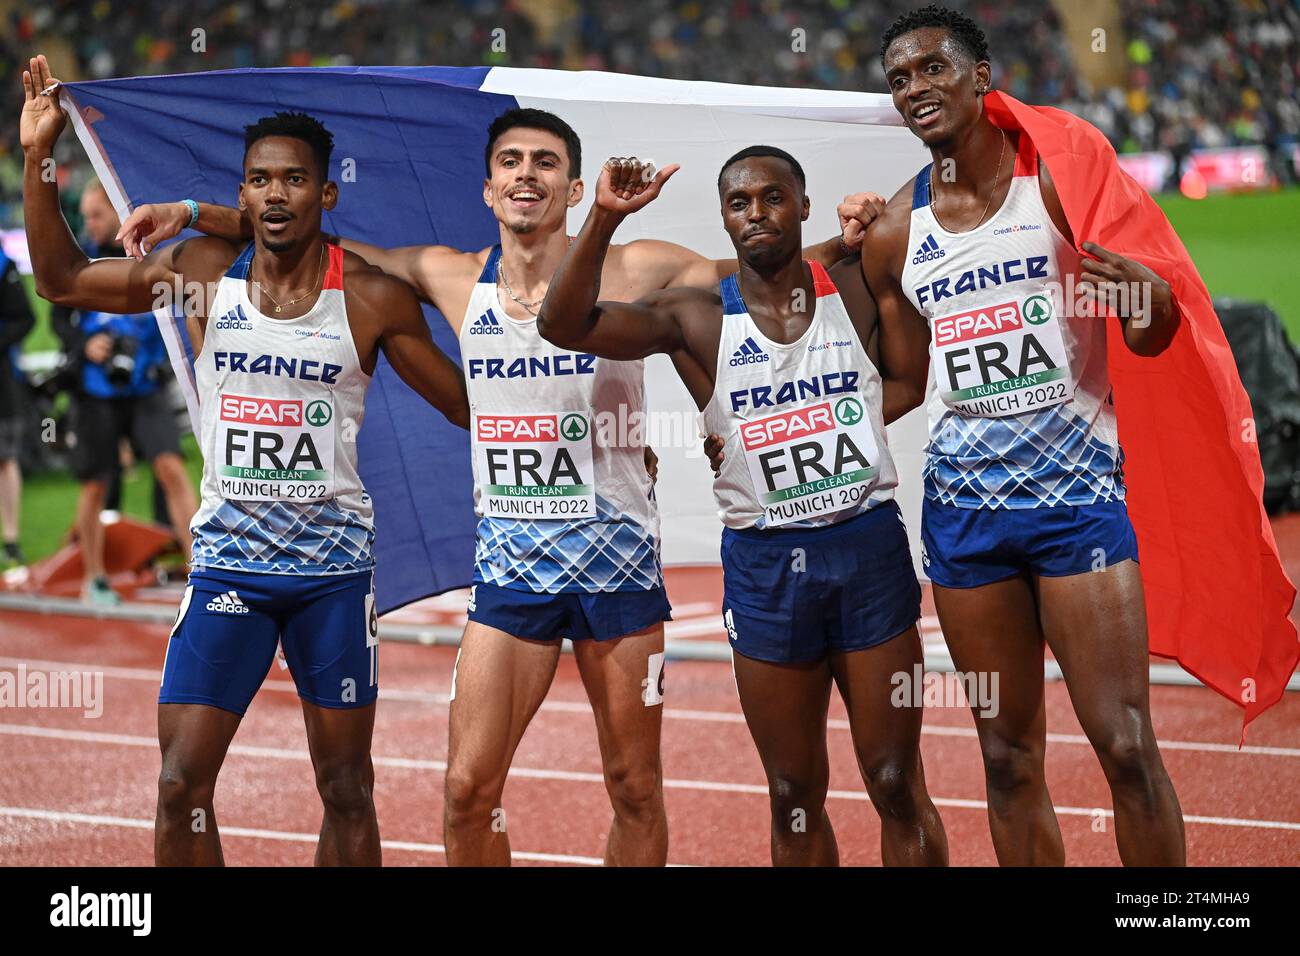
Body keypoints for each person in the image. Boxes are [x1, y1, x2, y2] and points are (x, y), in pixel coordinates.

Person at [119, 108, 886, 866]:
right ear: (488, 189)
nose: (527, 174)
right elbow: (291, 228)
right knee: (467, 791)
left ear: (576, 188)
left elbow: (760, 264)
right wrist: (189, 211)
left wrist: (849, 236)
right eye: (512, 162)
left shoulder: (636, 266)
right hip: (512, 574)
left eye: (545, 163)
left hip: (616, 570)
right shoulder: (447, 274)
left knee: (635, 789)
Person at [22, 54, 469, 866]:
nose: (275, 193)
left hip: (332, 576)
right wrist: (39, 155)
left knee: (345, 788)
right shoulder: (199, 274)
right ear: (243, 194)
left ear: (324, 193)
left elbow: (465, 406)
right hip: (228, 568)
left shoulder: (369, 297)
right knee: (178, 784)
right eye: (260, 179)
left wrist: (590, 428)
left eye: (294, 180)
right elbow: (60, 280)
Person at [538, 146, 948, 866]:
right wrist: (602, 218)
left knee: (893, 780)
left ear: (804, 206)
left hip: (866, 550)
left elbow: (909, 383)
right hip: (765, 566)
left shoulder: (850, 283)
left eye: (773, 197)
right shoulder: (693, 316)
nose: (756, 213)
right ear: (724, 218)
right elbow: (562, 326)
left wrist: (827, 421)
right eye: (739, 202)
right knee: (793, 790)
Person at [860, 5, 1185, 865]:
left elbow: (1150, 334)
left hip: (1076, 503)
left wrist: (1151, 302)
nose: (916, 87)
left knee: (1124, 746)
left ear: (981, 76)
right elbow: (907, 381)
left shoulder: (1056, 187)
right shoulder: (898, 234)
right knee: (1005, 758)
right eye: (900, 77)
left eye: (934, 68)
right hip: (966, 517)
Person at [50, 179, 197, 602]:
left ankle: (198, 572)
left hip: (145, 385)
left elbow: (178, 312)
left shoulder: (150, 255)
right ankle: (94, 578)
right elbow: (59, 316)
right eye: (88, 215)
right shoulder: (77, 256)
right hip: (96, 392)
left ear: (117, 214)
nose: (89, 222)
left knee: (171, 468)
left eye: (97, 214)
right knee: (95, 483)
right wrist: (84, 345)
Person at [0, 247, 34, 569]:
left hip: (3, 380)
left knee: (5, 458)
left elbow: (26, 317)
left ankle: (10, 539)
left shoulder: (3, 265)